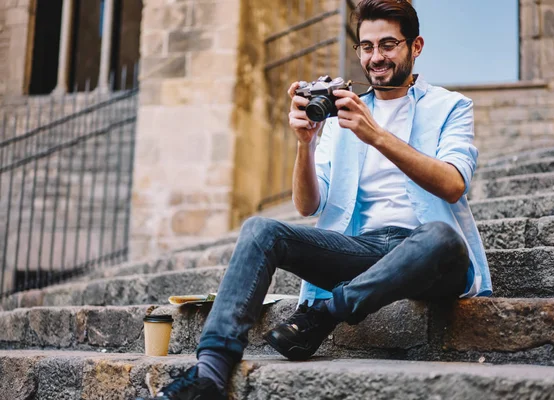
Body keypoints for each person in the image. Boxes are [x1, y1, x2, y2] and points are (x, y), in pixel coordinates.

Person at [139, 0, 492, 399]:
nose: (376, 57)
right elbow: (308, 206)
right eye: (366, 46)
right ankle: (211, 372)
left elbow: (452, 184)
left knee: (441, 236)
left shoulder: (451, 107)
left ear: (416, 46)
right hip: (363, 251)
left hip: (431, 258)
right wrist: (304, 145)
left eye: (388, 45)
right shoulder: (343, 116)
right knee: (260, 229)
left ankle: (324, 315)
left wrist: (376, 135)